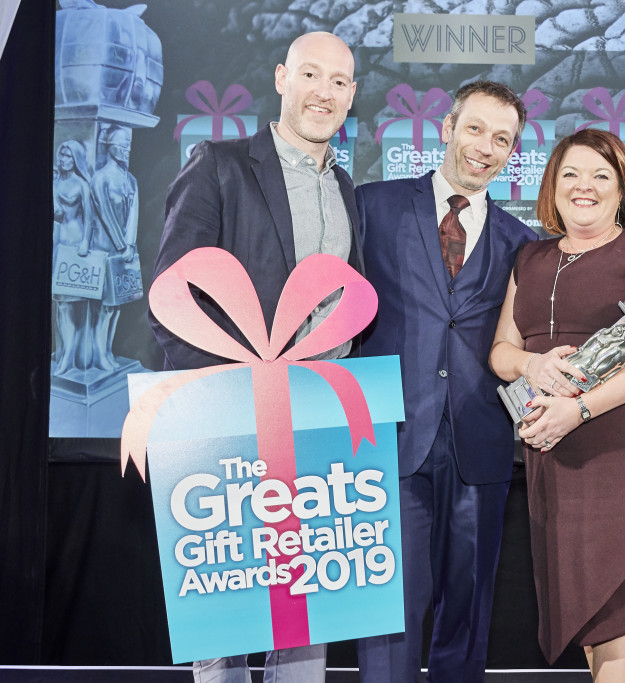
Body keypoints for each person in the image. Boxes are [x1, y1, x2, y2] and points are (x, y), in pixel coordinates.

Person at [151, 31, 361, 683]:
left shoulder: (347, 187)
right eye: (310, 74)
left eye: (338, 81)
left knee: (303, 626)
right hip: (227, 422)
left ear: (352, 95)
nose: (323, 92)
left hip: (318, 425)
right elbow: (172, 296)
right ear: (280, 77)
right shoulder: (220, 165)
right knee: (224, 628)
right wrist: (212, 409)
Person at [355, 81, 536, 683]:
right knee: (391, 612)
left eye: (503, 139)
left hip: (479, 446)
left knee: (468, 610)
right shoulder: (372, 206)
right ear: (447, 127)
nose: (486, 146)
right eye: (476, 128)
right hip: (389, 439)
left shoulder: (523, 243)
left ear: (513, 152)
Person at [489, 128, 625, 681]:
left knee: (617, 611)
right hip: (550, 448)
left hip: (621, 444)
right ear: (552, 185)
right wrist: (532, 366)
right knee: (583, 613)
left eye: (601, 176)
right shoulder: (529, 258)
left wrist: (581, 409)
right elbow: (502, 351)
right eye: (571, 174)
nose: (584, 187)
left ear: (622, 188)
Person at [89, 125, 140, 370]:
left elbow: (133, 216)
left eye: (129, 147)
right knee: (102, 306)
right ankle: (100, 354)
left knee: (117, 303)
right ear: (110, 147)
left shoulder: (130, 180)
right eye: (122, 146)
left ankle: (107, 351)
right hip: (104, 250)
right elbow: (105, 213)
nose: (126, 151)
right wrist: (121, 244)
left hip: (124, 251)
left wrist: (129, 244)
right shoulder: (101, 178)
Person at [52, 139, 93, 374]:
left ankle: (68, 356)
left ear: (75, 159)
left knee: (69, 304)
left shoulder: (81, 185)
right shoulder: (54, 181)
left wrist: (86, 242)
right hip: (55, 243)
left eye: (68, 156)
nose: (63, 159)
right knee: (59, 304)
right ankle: (63, 352)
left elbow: (89, 218)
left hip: (74, 244)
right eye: (61, 155)